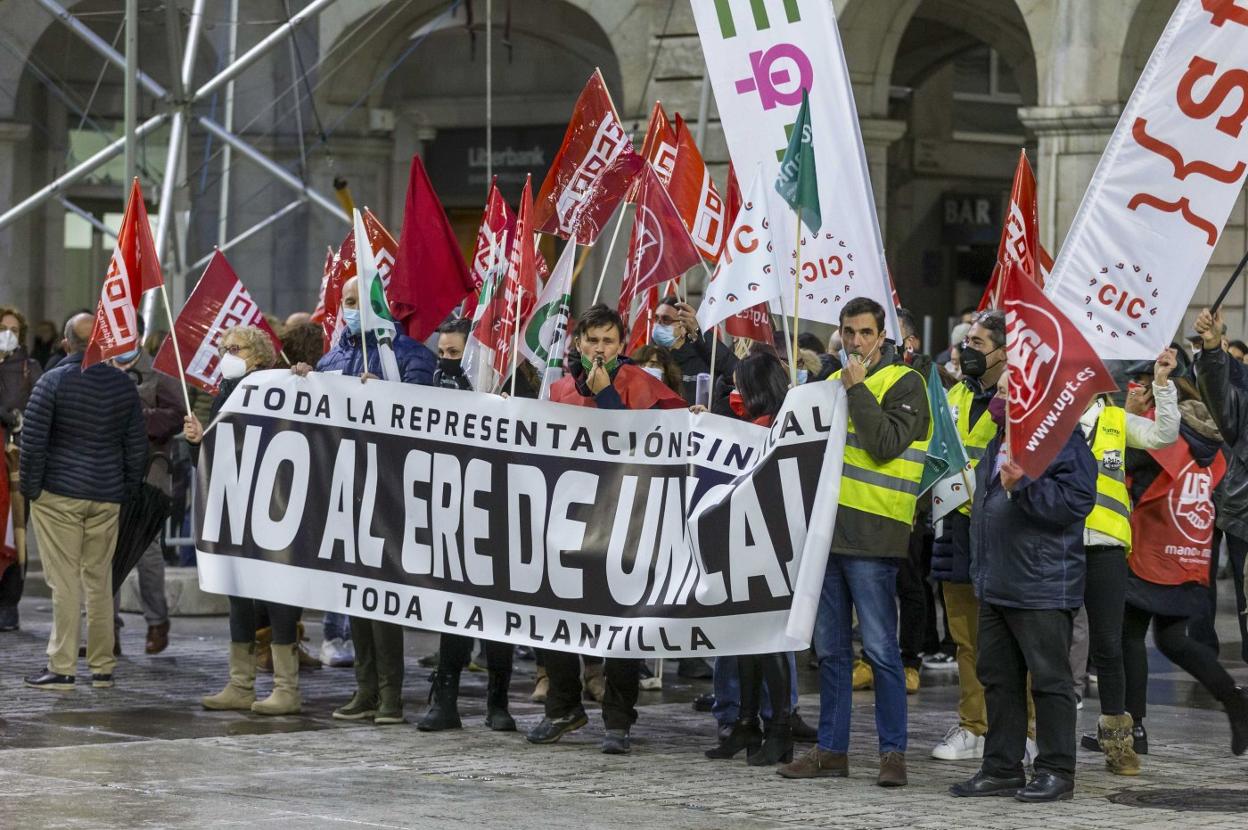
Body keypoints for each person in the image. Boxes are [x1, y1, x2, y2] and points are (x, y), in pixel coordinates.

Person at [778, 297, 931, 788]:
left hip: (874, 537)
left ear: (882, 336)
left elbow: (885, 444)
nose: (856, 341)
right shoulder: (827, 385)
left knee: (883, 651)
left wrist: (858, 389)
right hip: (826, 537)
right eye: (848, 332)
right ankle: (831, 751)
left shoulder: (906, 383)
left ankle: (893, 754)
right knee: (832, 652)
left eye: (865, 332)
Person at [527, 303, 685, 755]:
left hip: (625, 527)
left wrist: (609, 399)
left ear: (622, 346)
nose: (599, 350)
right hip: (568, 526)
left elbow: (648, 447)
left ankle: (618, 720)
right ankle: (562, 708)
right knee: (555, 619)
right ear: (578, 344)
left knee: (621, 628)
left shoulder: (644, 387)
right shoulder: (558, 391)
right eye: (592, 341)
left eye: (608, 342)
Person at [295, 276, 435, 725]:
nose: (353, 308)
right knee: (354, 594)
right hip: (344, 489)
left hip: (391, 490)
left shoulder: (410, 355)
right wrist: (304, 381)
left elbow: (429, 415)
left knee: (383, 596)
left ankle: (391, 695)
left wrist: (391, 393)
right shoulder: (334, 356)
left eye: (361, 301)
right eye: (347, 301)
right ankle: (365, 689)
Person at [950, 373, 1096, 803]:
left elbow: (1076, 501)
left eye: (1005, 391)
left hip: (1041, 584)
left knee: (1049, 681)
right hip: (999, 582)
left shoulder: (1061, 437)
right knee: (998, 678)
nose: (998, 398)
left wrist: (1025, 487)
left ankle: (1056, 770)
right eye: (997, 390)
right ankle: (1001, 767)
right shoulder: (1001, 437)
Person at [1115, 354, 1248, 757]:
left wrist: (1124, 416)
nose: (1131, 390)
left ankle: (1133, 728)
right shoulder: (1205, 435)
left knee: (1129, 637)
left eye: (1137, 383)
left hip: (1150, 549)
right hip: (1187, 550)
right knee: (1171, 640)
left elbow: (1119, 464)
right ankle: (1234, 699)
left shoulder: (1159, 432)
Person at [1065, 348, 1178, 775]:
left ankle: (1118, 744)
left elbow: (1164, 436)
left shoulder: (1115, 420)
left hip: (1107, 546)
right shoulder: (1053, 421)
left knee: (1109, 647)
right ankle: (1045, 742)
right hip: (1060, 543)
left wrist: (1162, 386)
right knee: (1052, 645)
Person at [19, 313, 147, 689]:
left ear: (64, 344)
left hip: (58, 495)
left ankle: (62, 666)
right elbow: (135, 447)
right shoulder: (123, 386)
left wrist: (31, 490)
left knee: (65, 583)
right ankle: (103, 666)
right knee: (99, 580)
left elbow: (33, 444)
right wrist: (124, 489)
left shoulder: (52, 381)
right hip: (106, 496)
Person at [185, 325, 306, 715]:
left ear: (257, 355)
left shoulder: (279, 386)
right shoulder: (224, 393)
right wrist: (198, 442)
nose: (226, 354)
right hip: (236, 507)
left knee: (277, 592)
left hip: (275, 507)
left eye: (233, 348)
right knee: (239, 594)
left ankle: (286, 688)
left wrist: (305, 378)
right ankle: (241, 683)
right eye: (222, 348)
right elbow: (214, 462)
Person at [419, 316, 516, 734]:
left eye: (454, 354)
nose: (445, 362)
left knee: (495, 610)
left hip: (500, 511)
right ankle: (445, 700)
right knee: (453, 610)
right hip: (450, 509)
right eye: (441, 353)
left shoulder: (512, 388)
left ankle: (498, 701)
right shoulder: (431, 388)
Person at [704, 351, 796, 766]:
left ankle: (779, 728)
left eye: (740, 386)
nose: (734, 393)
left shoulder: (776, 429)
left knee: (767, 640)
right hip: (743, 544)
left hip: (769, 547)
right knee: (744, 638)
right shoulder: (751, 426)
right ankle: (746, 723)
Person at [929, 310, 1006, 762]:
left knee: (1012, 636)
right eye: (966, 343)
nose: (966, 351)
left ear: (1003, 351)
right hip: (954, 526)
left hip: (1000, 530)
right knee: (964, 637)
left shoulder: (1021, 398)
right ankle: (972, 726)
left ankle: (1023, 727)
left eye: (978, 344)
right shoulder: (953, 395)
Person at [111, 327, 183, 655]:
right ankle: (104, 629)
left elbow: (176, 416)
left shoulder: (160, 371)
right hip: (108, 473)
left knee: (146, 551)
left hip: (148, 473)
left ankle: (157, 620)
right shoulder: (99, 368)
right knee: (105, 552)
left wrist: (136, 418)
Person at [0, 305, 42, 632]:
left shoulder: (30, 367)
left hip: (16, 462)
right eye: (4, 327)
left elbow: (39, 410)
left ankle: (9, 603)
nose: (9, 334)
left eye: (15, 329)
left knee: (16, 532)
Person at [432, 317, 472, 390]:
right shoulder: (438, 376)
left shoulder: (487, 385)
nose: (445, 357)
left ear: (470, 353)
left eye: (453, 352)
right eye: (441, 352)